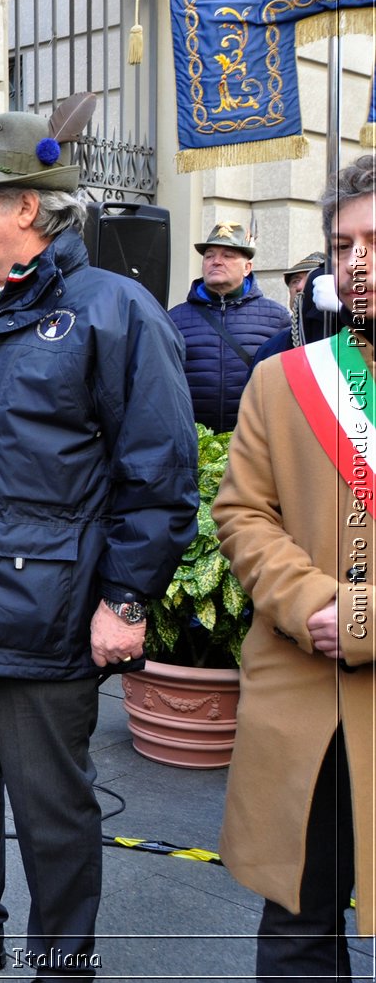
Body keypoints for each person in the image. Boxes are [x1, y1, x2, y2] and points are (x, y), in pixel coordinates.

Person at [0, 107, 198, 981]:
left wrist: (127, 597)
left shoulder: (110, 309)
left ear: (29, 208)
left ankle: (63, 955)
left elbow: (161, 475)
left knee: (54, 804)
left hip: (46, 613)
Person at [212, 154, 376, 982]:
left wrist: (361, 619)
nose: (358, 263)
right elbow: (242, 512)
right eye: (343, 243)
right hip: (305, 699)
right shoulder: (283, 382)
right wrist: (310, 598)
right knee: (298, 935)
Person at [167, 222, 289, 433]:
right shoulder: (174, 318)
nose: (216, 262)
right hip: (191, 441)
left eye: (228, 256)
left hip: (254, 439)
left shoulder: (276, 318)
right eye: (209, 256)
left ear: (247, 268)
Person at [255, 251, 328, 365]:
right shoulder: (270, 349)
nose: (299, 287)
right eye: (295, 281)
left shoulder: (351, 340)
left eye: (310, 278)